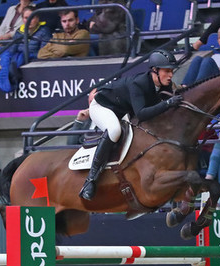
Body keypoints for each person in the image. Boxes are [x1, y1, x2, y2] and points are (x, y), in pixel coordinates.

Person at [78, 49, 181, 200]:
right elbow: (141, 113)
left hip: (121, 111)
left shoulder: (165, 84)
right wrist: (167, 104)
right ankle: (90, 180)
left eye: (172, 71)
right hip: (102, 106)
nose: (171, 75)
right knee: (114, 130)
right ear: (155, 70)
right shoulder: (138, 84)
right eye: (167, 71)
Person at [0, 7, 51, 93]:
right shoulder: (19, 31)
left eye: (32, 17)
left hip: (32, 58)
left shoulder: (44, 31)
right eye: (26, 18)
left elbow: (43, 53)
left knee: (17, 57)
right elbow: (12, 50)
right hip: (18, 56)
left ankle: (6, 81)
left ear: (37, 18)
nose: (29, 20)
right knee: (3, 53)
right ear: (22, 19)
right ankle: (5, 79)